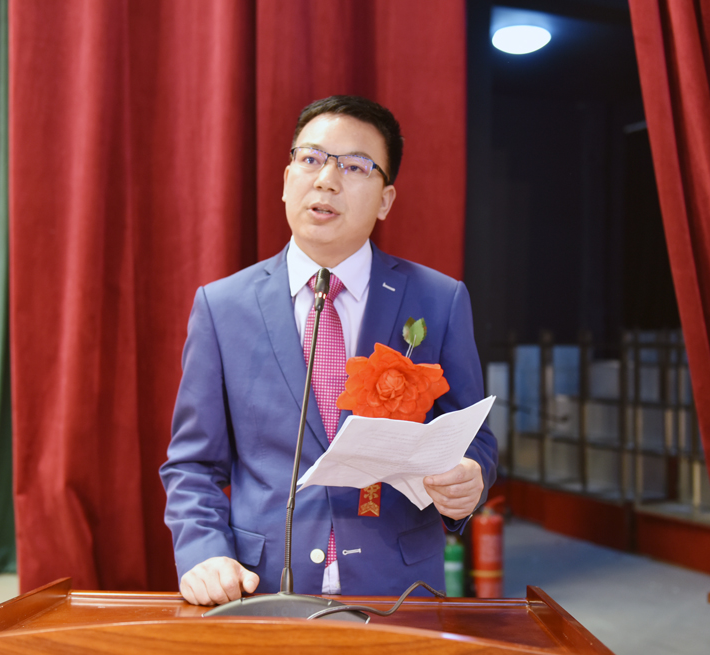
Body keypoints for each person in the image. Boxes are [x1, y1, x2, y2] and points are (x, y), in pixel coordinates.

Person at [160, 95, 497, 606]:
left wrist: (470, 476)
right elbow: (193, 465)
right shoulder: (222, 306)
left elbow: (474, 437)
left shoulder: (437, 300)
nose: (326, 180)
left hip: (399, 587)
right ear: (286, 180)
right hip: (265, 585)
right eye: (311, 158)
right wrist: (203, 552)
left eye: (355, 166)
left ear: (385, 200)